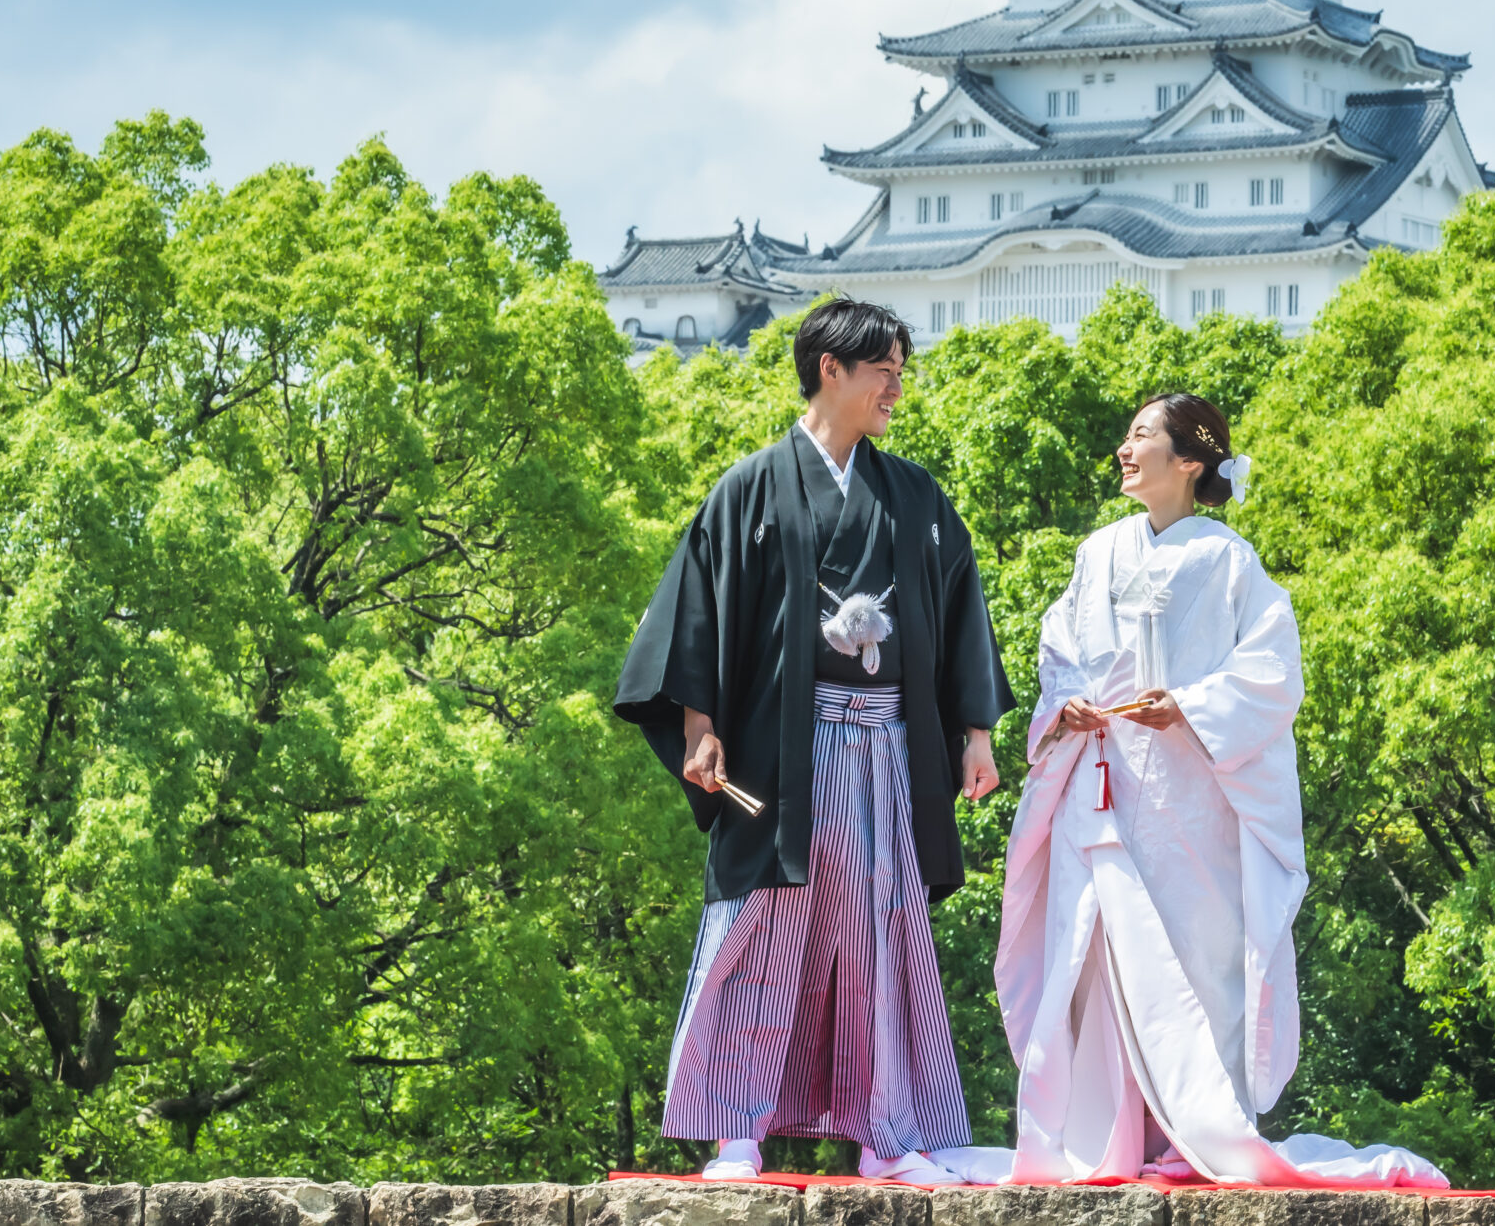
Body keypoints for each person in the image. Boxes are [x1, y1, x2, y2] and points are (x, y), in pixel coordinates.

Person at [986, 394, 1445, 1189]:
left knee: (1195, 959)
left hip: (1189, 799)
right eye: (1127, 434)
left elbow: (1272, 673)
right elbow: (1060, 649)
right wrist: (1065, 703)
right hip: (1098, 789)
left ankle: (1189, 1135)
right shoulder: (1097, 553)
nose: (1125, 449)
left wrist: (1191, 708)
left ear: (1190, 460)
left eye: (1141, 436)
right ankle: (1105, 1135)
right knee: (1092, 959)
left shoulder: (1231, 562)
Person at [615, 298, 1013, 1186]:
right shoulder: (750, 486)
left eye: (901, 370)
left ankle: (884, 1131)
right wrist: (700, 726)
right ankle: (736, 1132)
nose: (897, 387)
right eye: (885, 370)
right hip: (779, 755)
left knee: (878, 933)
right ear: (831, 368)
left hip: (885, 749)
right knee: (760, 928)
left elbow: (958, 613)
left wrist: (975, 733)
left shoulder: (913, 494)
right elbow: (698, 615)